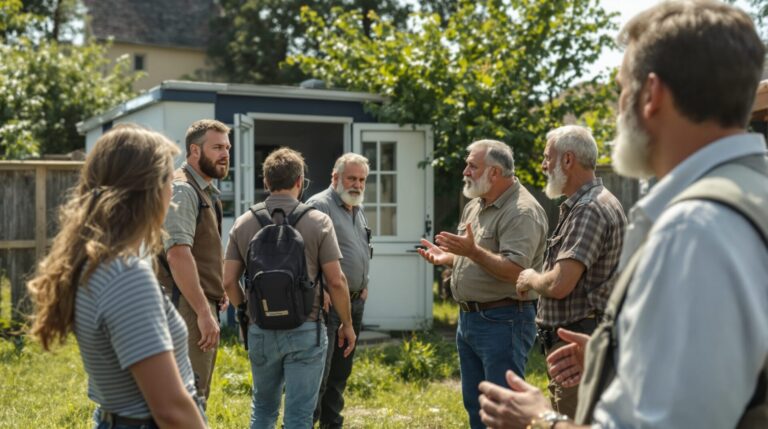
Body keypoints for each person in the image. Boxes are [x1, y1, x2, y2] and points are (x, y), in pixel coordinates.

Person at [477, 1, 768, 428]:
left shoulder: (694, 229)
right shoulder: (749, 193)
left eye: (621, 89)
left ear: (651, 95)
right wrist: (615, 352)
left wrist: (540, 421)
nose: (618, 109)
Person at [27, 124, 207, 428]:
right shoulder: (126, 275)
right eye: (169, 179)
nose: (173, 191)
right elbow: (170, 409)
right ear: (146, 190)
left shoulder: (98, 262)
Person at [222, 147, 357, 429]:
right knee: (298, 416)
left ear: (266, 182)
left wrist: (246, 311)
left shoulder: (244, 222)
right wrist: (347, 323)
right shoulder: (318, 221)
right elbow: (336, 281)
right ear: (299, 181)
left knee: (263, 409)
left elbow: (228, 281)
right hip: (306, 328)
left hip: (261, 327)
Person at [418, 139, 548, 429]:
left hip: (504, 320)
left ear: (494, 172)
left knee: (503, 411)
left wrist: (472, 252)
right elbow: (475, 257)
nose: (465, 171)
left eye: (472, 166)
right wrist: (449, 258)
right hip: (470, 319)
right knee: (477, 407)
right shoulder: (475, 205)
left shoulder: (522, 211)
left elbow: (517, 271)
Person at [515, 125, 626, 418]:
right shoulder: (593, 202)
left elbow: (561, 283)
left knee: (573, 421)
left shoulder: (589, 208)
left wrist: (531, 278)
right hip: (578, 341)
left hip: (576, 344)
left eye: (547, 157)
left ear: (567, 160)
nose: (543, 165)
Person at [156, 119, 231, 403]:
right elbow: (178, 254)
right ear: (195, 151)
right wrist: (202, 311)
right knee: (188, 397)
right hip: (185, 304)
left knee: (196, 393)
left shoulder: (205, 191)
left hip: (196, 301)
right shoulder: (184, 190)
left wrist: (217, 288)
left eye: (227, 148)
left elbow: (202, 248)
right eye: (217, 148)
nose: (225, 154)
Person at [307, 153, 372, 429]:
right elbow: (305, 254)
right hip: (328, 304)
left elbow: (362, 248)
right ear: (335, 178)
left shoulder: (357, 207)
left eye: (362, 180)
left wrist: (363, 285)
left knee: (340, 375)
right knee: (318, 377)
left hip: (354, 302)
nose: (357, 185)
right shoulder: (319, 205)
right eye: (351, 178)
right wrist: (319, 289)